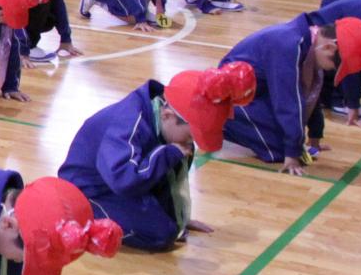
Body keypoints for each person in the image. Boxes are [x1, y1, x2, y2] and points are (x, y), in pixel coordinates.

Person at [57, 64, 256, 251]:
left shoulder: (163, 121)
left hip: (122, 185)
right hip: (90, 191)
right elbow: (123, 179)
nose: (190, 142)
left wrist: (179, 217)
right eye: (189, 135)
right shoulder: (127, 124)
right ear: (167, 115)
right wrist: (167, 155)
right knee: (160, 235)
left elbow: (169, 179)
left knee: (168, 225)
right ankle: (80, 217)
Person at [218, 13, 340, 175]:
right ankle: (219, 123)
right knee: (278, 151)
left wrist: (314, 137)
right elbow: (288, 101)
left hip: (259, 92)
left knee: (292, 142)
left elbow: (312, 93)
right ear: (329, 47)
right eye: (336, 64)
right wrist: (291, 154)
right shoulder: (290, 45)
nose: (334, 69)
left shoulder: (309, 42)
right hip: (232, 98)